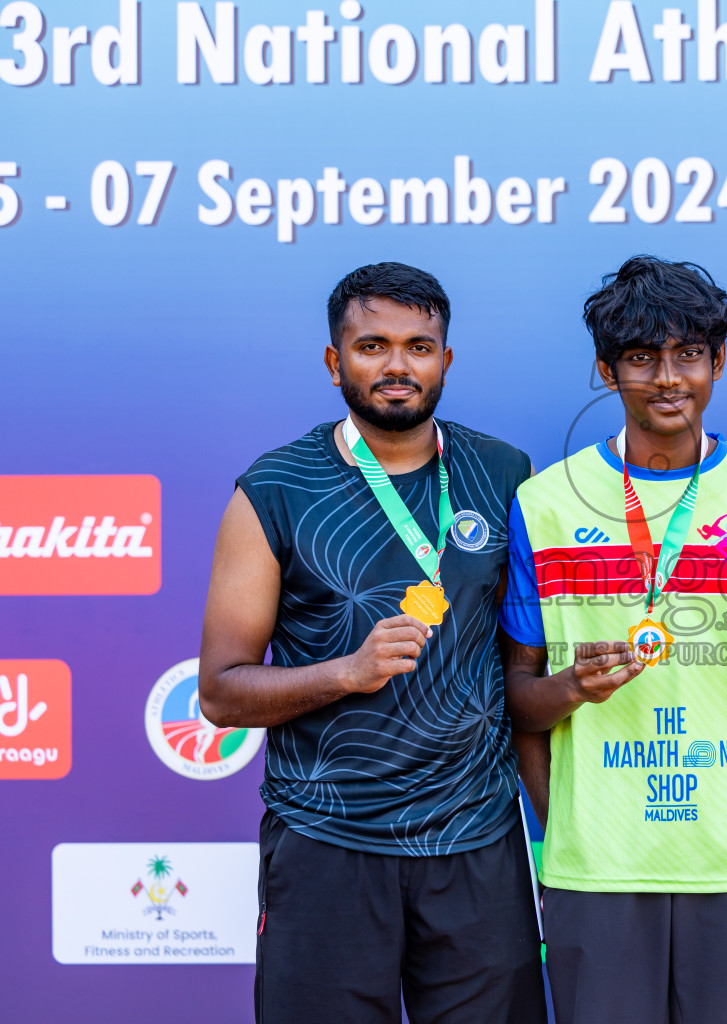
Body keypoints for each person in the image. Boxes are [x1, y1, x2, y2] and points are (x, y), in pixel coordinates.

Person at [197, 262, 545, 1024]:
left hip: (475, 837)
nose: (397, 366)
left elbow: (528, 660)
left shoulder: (504, 473)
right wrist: (346, 673)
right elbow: (221, 692)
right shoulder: (276, 489)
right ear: (334, 363)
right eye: (372, 346)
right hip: (328, 839)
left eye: (419, 347)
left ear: (445, 362)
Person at [499, 255, 727, 1024]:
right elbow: (517, 696)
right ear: (607, 370)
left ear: (718, 362)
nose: (668, 378)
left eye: (688, 355)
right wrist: (567, 818)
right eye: (642, 358)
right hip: (596, 865)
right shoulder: (542, 505)